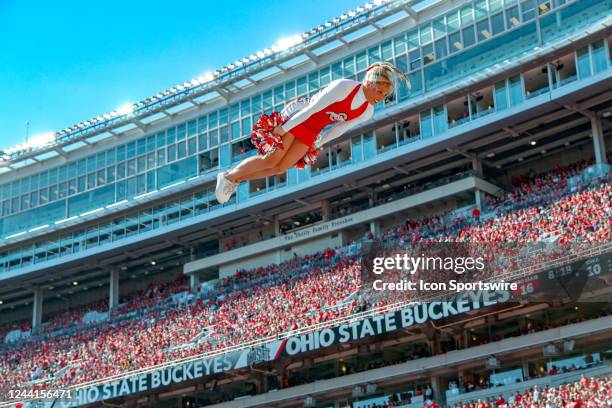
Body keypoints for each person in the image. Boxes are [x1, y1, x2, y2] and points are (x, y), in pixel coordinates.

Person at [215, 61, 409, 203]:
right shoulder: (344, 87)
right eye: (381, 91)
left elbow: (340, 127)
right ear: (370, 82)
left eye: (385, 94)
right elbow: (313, 109)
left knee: (280, 168)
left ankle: (237, 179)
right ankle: (229, 176)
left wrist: (319, 143)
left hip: (313, 128)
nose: (382, 97)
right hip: (300, 115)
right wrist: (283, 128)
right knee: (271, 160)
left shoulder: (367, 111)